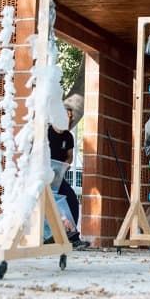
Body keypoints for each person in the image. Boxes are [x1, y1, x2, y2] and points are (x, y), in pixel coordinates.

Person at [48, 103, 89, 249]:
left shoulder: (68, 137)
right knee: (52, 205)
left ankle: (73, 238)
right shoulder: (46, 132)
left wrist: (64, 166)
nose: (69, 119)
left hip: (58, 176)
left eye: (71, 118)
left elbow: (70, 157)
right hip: (43, 176)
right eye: (67, 116)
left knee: (71, 199)